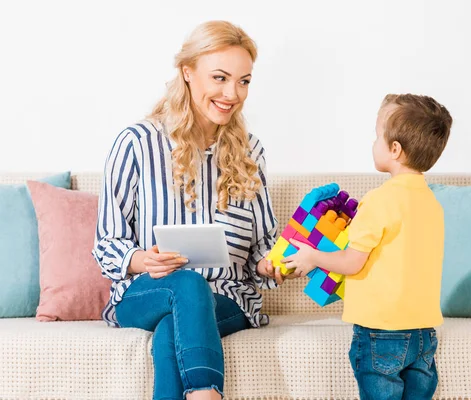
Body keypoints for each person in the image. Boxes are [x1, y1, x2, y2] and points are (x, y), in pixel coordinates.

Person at [92, 20, 293, 400]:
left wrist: (273, 264)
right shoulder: (136, 144)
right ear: (187, 72)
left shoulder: (250, 151)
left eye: (244, 81)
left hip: (226, 298)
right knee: (185, 284)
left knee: (176, 325)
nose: (232, 93)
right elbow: (107, 242)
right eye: (219, 77)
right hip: (145, 293)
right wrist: (141, 260)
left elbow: (263, 246)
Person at [282, 93, 452, 399]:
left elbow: (351, 262)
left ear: (395, 150)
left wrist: (312, 256)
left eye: (377, 136)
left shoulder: (379, 200)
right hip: (424, 333)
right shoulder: (432, 203)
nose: (373, 143)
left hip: (380, 331)